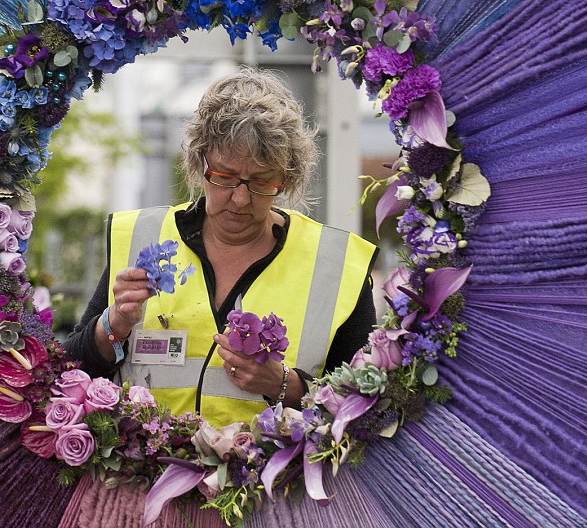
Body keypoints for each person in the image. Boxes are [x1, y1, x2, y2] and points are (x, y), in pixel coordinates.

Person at [64, 67, 378, 428]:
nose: (240, 199)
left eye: (261, 182)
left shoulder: (337, 265)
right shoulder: (142, 239)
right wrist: (114, 324)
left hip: (271, 483)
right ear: (200, 164)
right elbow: (72, 370)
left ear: (287, 179)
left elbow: (365, 407)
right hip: (145, 477)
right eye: (226, 177)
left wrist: (285, 387)